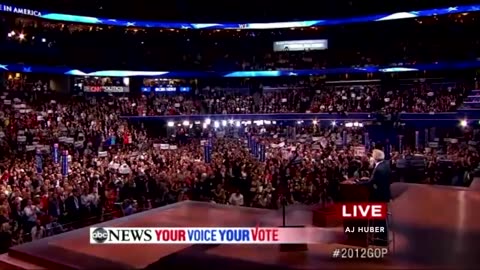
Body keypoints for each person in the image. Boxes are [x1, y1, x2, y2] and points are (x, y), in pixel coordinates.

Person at [357, 149, 391, 246]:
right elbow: (375, 180)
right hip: (384, 195)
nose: (371, 157)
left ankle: (380, 239)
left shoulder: (379, 169)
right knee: (380, 218)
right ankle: (381, 237)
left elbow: (371, 182)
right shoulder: (385, 165)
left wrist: (360, 183)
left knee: (379, 218)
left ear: (375, 157)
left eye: (372, 155)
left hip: (378, 196)